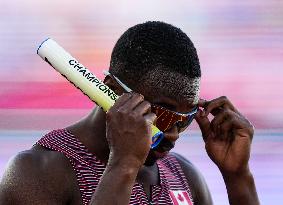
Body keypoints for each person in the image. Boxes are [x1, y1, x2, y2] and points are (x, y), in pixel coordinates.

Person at [0, 21, 260, 205]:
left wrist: (238, 178)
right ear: (112, 91)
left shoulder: (183, 176)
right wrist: (123, 164)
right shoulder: (37, 173)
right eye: (164, 115)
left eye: (186, 120)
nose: (172, 134)